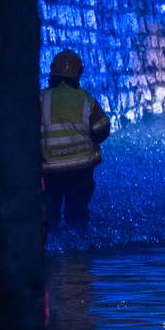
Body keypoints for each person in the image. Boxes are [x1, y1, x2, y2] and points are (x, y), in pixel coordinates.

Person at [40, 49, 111, 234]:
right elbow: (102, 130)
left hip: (49, 170)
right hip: (81, 169)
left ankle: (50, 255)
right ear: (79, 72)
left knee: (49, 216)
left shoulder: (40, 98)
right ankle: (81, 255)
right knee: (77, 215)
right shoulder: (85, 98)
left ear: (51, 70)